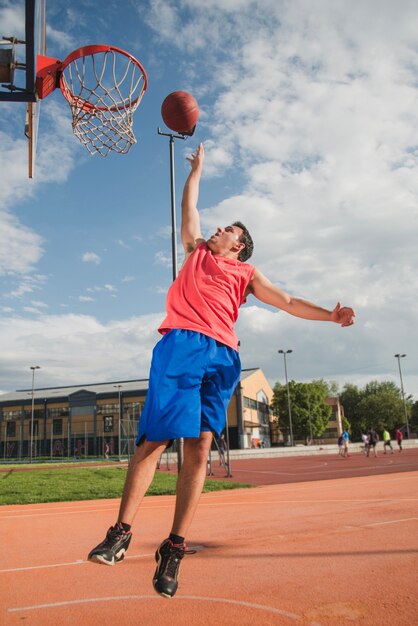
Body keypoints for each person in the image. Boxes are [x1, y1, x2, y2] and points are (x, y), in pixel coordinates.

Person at [87, 143, 355, 598]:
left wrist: (329, 316)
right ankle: (121, 533)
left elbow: (287, 301)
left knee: (199, 448)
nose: (218, 229)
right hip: (182, 344)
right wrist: (197, 171)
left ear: (241, 245)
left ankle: (173, 547)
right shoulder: (196, 251)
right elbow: (188, 208)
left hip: (223, 355)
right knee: (155, 439)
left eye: (228, 229)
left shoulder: (247, 274)